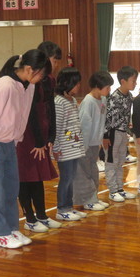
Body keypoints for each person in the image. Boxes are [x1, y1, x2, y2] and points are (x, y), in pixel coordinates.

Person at [0, 49, 51, 248]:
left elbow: (21, 117)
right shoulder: (4, 86)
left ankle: (11, 228)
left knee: (10, 190)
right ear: (30, 69)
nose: (41, 79)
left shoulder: (27, 87)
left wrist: (16, 139)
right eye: (40, 74)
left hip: (9, 144)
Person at [16, 41, 61, 233]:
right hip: (26, 135)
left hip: (41, 133)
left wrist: (50, 135)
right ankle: (30, 218)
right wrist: (39, 140)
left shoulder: (48, 80)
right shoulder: (27, 82)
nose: (56, 64)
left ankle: (41, 215)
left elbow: (50, 107)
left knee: (38, 177)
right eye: (54, 59)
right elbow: (30, 113)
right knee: (25, 176)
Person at [73, 71, 113, 211]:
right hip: (86, 144)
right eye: (107, 87)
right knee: (84, 174)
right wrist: (83, 147)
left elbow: (102, 122)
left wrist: (101, 140)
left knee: (93, 172)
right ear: (97, 86)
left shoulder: (103, 100)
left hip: (95, 143)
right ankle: (87, 200)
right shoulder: (88, 101)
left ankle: (93, 198)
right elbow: (84, 125)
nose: (109, 90)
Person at [53, 67, 87, 221]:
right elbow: (58, 127)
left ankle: (69, 206)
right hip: (65, 150)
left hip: (75, 148)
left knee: (71, 177)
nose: (78, 86)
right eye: (76, 84)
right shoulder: (59, 102)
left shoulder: (72, 101)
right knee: (66, 178)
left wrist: (76, 137)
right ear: (68, 83)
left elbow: (71, 125)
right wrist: (57, 148)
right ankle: (62, 208)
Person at [103, 66, 138, 202]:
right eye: (133, 81)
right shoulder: (113, 98)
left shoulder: (129, 96)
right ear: (123, 81)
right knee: (111, 162)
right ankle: (112, 190)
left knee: (120, 162)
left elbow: (127, 116)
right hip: (112, 133)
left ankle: (120, 189)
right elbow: (107, 118)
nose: (135, 84)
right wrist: (105, 136)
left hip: (123, 133)